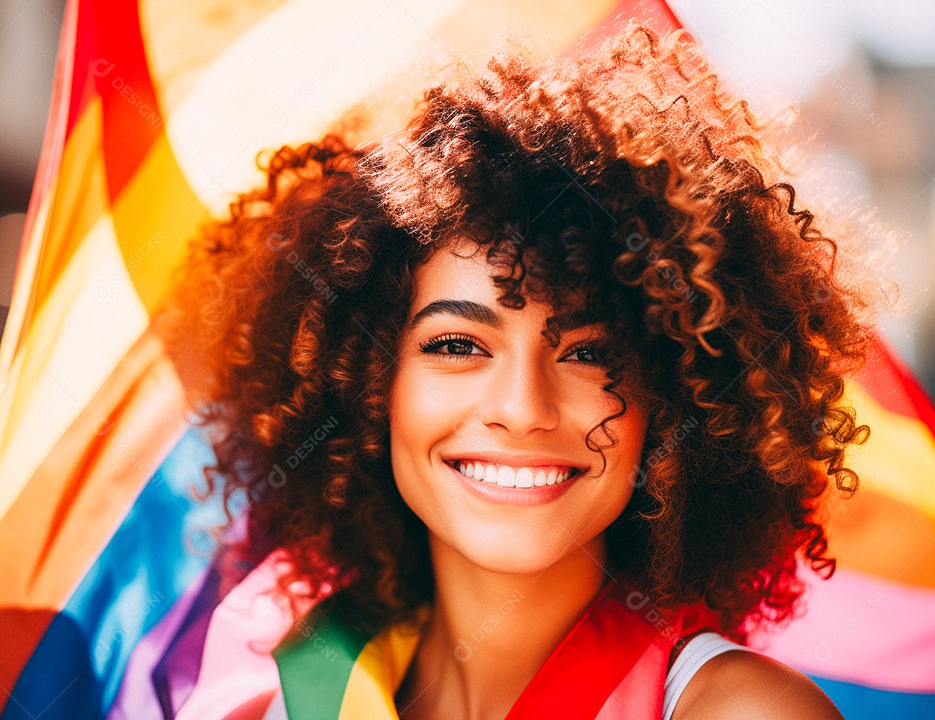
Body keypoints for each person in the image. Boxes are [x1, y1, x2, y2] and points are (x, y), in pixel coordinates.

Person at [157, 20, 877, 720]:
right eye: (457, 346)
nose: (522, 406)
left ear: (676, 404)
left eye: (591, 353)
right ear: (367, 383)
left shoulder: (738, 712)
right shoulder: (279, 694)